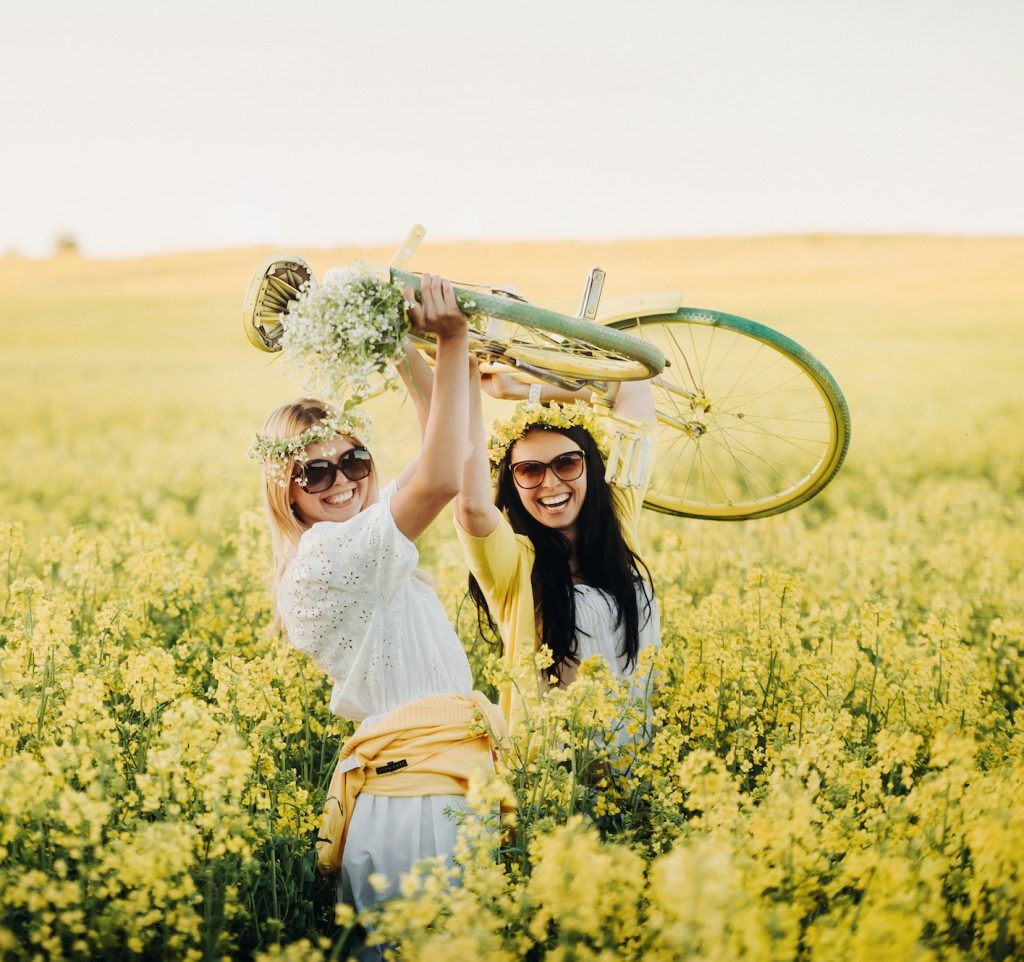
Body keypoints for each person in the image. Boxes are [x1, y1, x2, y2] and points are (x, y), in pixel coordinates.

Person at [250, 275, 505, 919]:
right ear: (287, 492)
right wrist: (450, 341)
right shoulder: (331, 555)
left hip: (438, 787)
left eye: (355, 460)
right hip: (413, 809)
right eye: (315, 471)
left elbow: (445, 444)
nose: (342, 482)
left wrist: (394, 342)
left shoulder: (357, 542)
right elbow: (444, 470)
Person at [455, 369, 661, 729]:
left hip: (639, 769)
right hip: (555, 775)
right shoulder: (514, 564)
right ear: (512, 481)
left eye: (567, 463)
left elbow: (633, 383)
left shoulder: (619, 523)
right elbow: (471, 504)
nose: (551, 483)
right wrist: (467, 371)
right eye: (530, 470)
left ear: (591, 466)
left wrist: (526, 389)